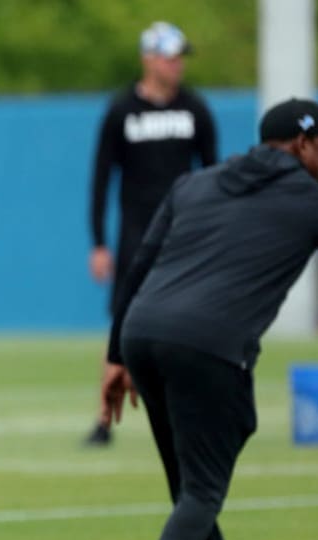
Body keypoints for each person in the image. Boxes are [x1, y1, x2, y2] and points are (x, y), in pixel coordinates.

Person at [100, 97, 318, 540]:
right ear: (303, 143)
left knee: (187, 476)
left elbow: (138, 268)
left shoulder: (195, 185)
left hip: (142, 335)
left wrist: (115, 357)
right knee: (203, 484)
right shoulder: (312, 198)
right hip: (210, 346)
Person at [85, 20, 218, 446]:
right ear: (149, 58)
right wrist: (99, 243)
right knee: (122, 323)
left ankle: (190, 409)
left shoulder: (195, 109)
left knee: (190, 317)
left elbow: (212, 174)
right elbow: (102, 177)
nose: (177, 65)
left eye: (180, 57)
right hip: (137, 233)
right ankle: (104, 419)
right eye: (169, 56)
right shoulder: (123, 110)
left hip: (186, 233)